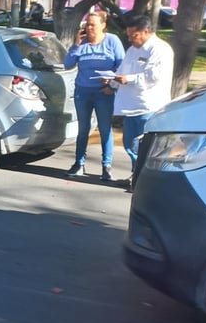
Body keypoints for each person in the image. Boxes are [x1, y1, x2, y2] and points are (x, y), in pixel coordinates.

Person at [113, 12, 174, 191]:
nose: (130, 39)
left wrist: (129, 79)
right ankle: (135, 174)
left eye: (134, 35)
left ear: (146, 31)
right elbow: (122, 69)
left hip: (148, 106)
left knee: (145, 147)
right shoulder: (132, 50)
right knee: (130, 145)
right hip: (130, 106)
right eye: (129, 35)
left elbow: (154, 76)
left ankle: (144, 181)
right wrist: (111, 82)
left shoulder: (160, 49)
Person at [64, 11, 125, 181]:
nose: (89, 28)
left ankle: (106, 166)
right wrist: (76, 45)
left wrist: (112, 83)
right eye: (87, 24)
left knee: (105, 128)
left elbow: (122, 65)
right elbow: (68, 64)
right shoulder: (82, 43)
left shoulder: (112, 41)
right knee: (83, 128)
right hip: (83, 91)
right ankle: (79, 163)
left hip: (104, 92)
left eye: (93, 25)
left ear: (103, 26)